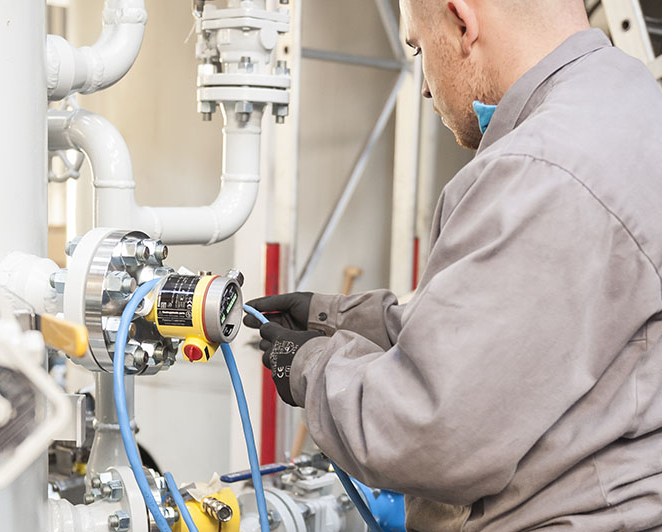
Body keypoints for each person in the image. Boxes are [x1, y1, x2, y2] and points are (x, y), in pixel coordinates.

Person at [244, 0, 662, 530]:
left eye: (419, 48)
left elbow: (428, 434)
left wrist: (310, 367)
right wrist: (337, 320)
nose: (424, 86)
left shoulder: (540, 170)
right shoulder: (629, 100)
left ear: (463, 22)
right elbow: (522, 345)